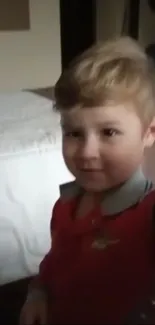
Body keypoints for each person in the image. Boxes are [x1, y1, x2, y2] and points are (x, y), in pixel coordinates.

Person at [20, 36, 155, 325]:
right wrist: (38, 293)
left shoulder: (147, 215)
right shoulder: (66, 203)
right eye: (74, 134)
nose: (86, 152)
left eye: (109, 132)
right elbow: (56, 261)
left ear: (149, 133)